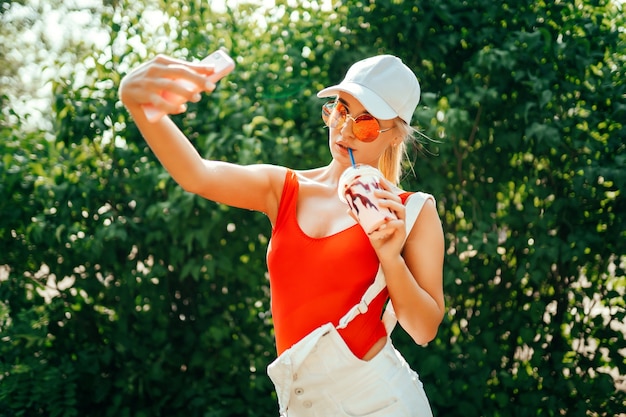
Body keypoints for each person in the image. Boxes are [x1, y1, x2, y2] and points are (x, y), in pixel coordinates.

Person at [119, 53, 445, 417]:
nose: (346, 130)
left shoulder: (410, 211)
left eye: (366, 124)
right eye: (340, 110)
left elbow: (423, 330)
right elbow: (196, 175)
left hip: (381, 402)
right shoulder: (285, 188)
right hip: (301, 404)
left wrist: (390, 256)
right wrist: (139, 105)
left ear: (395, 134)